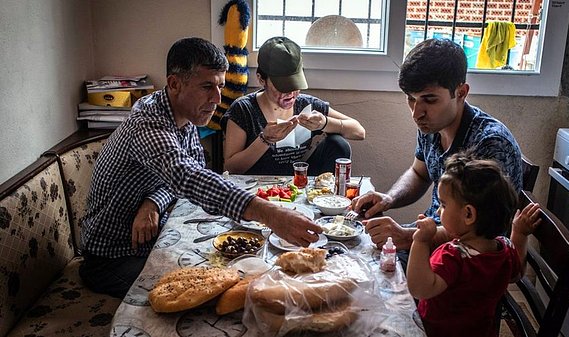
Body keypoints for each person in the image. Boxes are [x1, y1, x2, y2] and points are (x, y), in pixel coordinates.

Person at [79, 37, 322, 299]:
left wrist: (153, 200)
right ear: (174, 84)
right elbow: (188, 177)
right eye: (207, 86)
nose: (217, 99)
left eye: (220, 86)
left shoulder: (185, 113)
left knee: (238, 271)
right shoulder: (148, 122)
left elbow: (186, 173)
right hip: (111, 258)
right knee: (216, 289)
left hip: (150, 241)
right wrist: (271, 214)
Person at [351, 38, 523, 262]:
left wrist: (408, 237)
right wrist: (389, 199)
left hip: (470, 262)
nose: (416, 113)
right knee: (354, 251)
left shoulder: (490, 144)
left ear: (461, 93)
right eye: (411, 99)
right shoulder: (432, 125)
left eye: (429, 100)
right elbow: (419, 173)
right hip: (432, 236)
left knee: (367, 274)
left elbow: (479, 234)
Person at [406, 152, 541, 337]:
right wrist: (520, 233)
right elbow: (516, 274)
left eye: (444, 205)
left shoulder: (453, 256)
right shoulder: (503, 250)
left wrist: (420, 241)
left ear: (468, 214)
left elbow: (420, 289)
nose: (438, 210)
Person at [221, 36, 365, 176]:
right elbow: (231, 168)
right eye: (282, 87)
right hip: (255, 186)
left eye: (295, 85)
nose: (290, 93)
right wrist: (265, 139)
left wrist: (325, 123)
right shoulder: (243, 109)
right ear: (261, 79)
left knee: (338, 144)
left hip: (299, 183)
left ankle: (327, 197)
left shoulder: (306, 104)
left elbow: (359, 132)